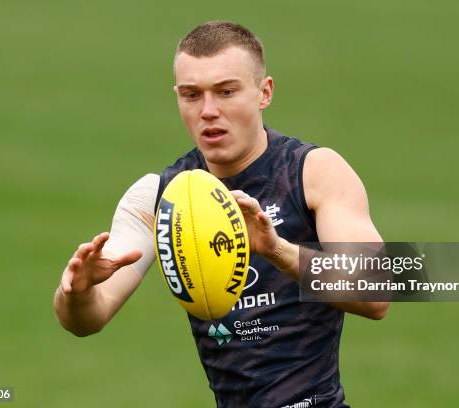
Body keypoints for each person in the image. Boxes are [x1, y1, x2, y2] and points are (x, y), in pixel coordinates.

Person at [54, 21, 389, 408]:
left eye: (226, 92)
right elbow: (87, 320)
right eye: (191, 95)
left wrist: (277, 250)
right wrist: (76, 293)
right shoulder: (159, 195)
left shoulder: (313, 172)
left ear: (264, 93)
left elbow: (376, 293)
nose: (208, 111)